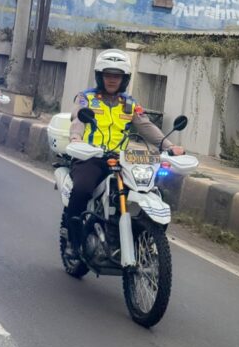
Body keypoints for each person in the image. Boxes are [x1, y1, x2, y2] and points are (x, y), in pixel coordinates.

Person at [64, 49, 184, 254]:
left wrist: (169, 146)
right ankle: (73, 235)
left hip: (123, 160)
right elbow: (78, 119)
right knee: (82, 188)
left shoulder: (130, 104)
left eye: (117, 76)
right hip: (91, 157)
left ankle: (141, 239)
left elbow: (145, 126)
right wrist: (76, 139)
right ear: (100, 76)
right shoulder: (86, 98)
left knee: (152, 191)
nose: (112, 80)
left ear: (124, 79)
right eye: (108, 75)